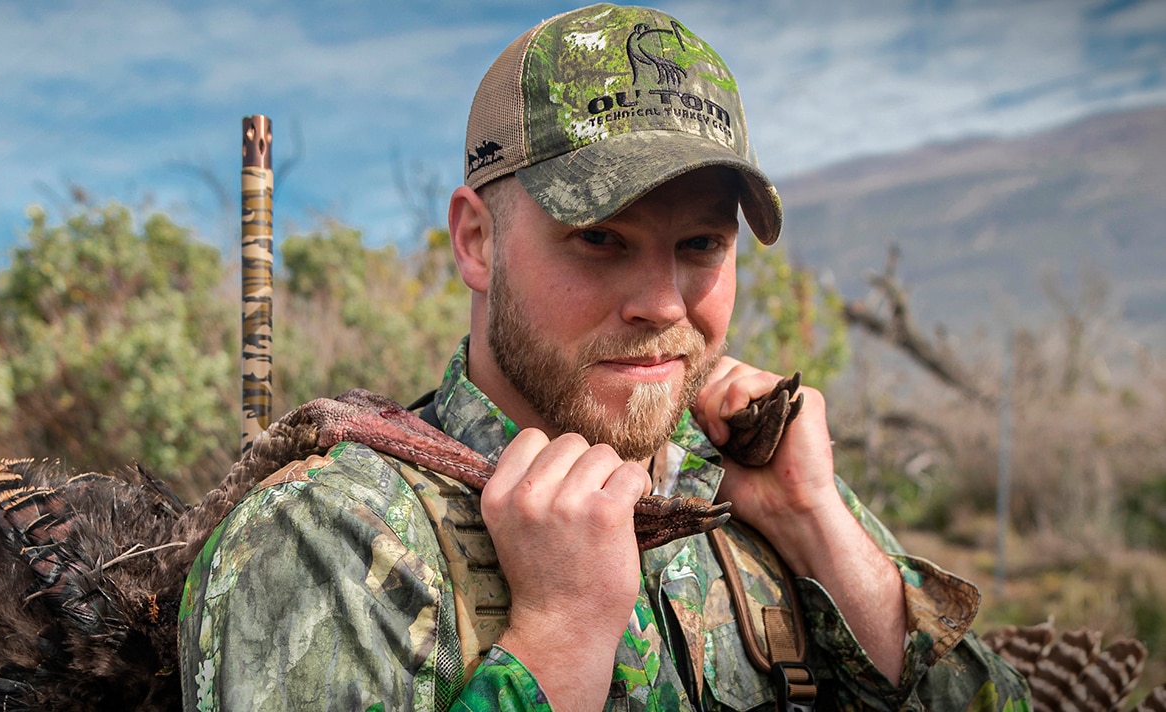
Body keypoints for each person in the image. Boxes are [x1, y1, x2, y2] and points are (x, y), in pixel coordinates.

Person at [178, 4, 1031, 710]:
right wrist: (560, 638)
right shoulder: (328, 541)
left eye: (700, 244)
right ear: (477, 241)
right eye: (598, 237)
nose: (662, 303)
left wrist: (817, 524)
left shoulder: (749, 491)